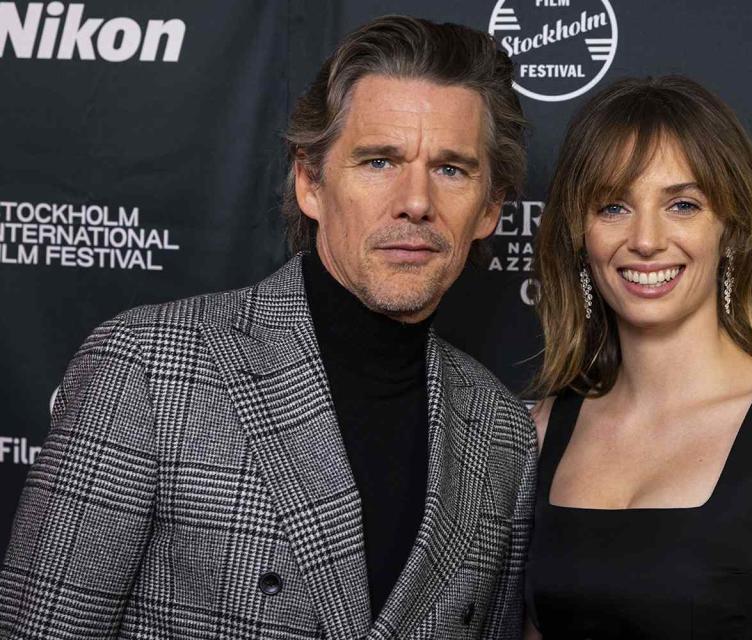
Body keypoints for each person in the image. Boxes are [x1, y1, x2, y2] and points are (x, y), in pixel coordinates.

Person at [0, 16, 537, 640]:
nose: (416, 201)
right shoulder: (146, 368)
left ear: (490, 209)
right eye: (379, 161)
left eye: (451, 169)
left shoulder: (503, 437)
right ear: (311, 182)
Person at [523, 76, 752, 639]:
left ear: (733, 232)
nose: (646, 239)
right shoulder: (539, 431)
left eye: (683, 205)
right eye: (614, 206)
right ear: (580, 235)